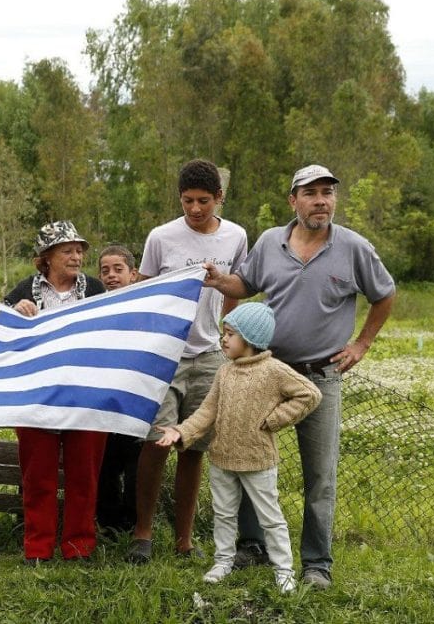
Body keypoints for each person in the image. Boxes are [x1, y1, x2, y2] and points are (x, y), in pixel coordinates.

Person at [204, 164, 396, 590]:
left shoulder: (354, 248)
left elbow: (384, 294)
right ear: (293, 200)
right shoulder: (270, 241)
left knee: (320, 475)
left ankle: (316, 563)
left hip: (320, 376)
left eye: (327, 192)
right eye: (311, 193)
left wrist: (362, 344)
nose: (321, 201)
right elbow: (245, 284)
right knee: (248, 457)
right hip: (264, 370)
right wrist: (220, 282)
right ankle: (252, 545)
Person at [126, 159, 248, 564]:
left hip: (209, 354)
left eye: (203, 201)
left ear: (219, 198)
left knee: (192, 447)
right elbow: (143, 293)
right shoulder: (161, 237)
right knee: (156, 444)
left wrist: (226, 330)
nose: (195, 209)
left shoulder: (236, 236)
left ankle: (184, 540)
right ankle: (143, 533)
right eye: (187, 201)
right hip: (166, 355)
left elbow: (236, 287)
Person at [155, 303, 321, 593]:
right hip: (221, 458)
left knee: (270, 518)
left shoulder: (274, 370)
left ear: (251, 338)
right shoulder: (224, 372)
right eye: (224, 333)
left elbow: (310, 394)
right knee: (223, 514)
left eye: (231, 334)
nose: (224, 339)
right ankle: (223, 561)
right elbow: (207, 411)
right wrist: (180, 431)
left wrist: (275, 419)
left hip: (258, 460)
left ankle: (284, 571)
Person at [5, 221, 107, 563]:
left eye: (79, 250)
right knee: (38, 476)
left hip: (86, 395)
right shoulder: (22, 291)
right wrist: (14, 314)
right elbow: (0, 336)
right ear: (46, 257)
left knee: (84, 476)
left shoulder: (95, 289)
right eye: (67, 251)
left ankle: (79, 546)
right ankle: (38, 548)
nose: (76, 256)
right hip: (37, 396)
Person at [95, 245, 141, 534]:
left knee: (136, 463)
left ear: (133, 274)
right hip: (104, 401)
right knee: (105, 463)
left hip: (136, 401)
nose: (111, 275)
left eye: (118, 269)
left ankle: (133, 522)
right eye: (105, 271)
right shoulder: (94, 307)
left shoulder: (147, 307)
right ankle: (108, 523)